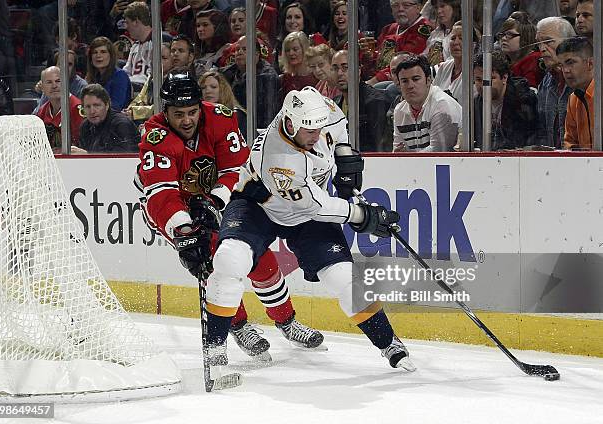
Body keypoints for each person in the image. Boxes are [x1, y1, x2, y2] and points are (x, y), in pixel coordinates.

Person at [201, 85, 415, 378]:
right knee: (229, 260)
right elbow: (316, 207)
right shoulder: (277, 157)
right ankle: (214, 346)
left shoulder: (323, 111)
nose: (315, 137)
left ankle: (388, 342)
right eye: (308, 132)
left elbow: (340, 129)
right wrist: (364, 216)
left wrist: (344, 156)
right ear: (289, 123)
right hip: (258, 205)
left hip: (306, 209)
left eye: (318, 130)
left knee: (343, 278)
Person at [135, 70, 323, 361]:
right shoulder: (156, 137)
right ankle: (239, 326)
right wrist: (184, 230)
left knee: (259, 257)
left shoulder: (221, 119)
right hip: (177, 211)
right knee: (212, 262)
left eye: (192, 112)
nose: (186, 120)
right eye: (178, 114)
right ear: (165, 111)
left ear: (201, 107)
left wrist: (214, 202)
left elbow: (238, 168)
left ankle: (286, 320)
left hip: (221, 199)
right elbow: (161, 195)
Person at [393, 54, 461, 152]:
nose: (410, 85)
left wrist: (408, 156)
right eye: (404, 81)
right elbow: (397, 152)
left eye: (415, 79)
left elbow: (438, 153)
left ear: (428, 80)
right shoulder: (399, 110)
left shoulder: (441, 106)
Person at [473, 50, 538, 150]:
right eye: (478, 80)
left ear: (504, 77)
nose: (483, 85)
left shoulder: (524, 101)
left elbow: (530, 140)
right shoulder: (476, 103)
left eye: (490, 79)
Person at [331, 50, 389, 152]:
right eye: (335, 68)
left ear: (358, 71)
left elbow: (379, 146)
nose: (339, 73)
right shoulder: (333, 105)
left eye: (345, 68)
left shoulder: (375, 101)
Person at [220, 36, 280, 131]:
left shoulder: (267, 77)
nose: (239, 52)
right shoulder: (226, 73)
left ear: (256, 54)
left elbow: (268, 116)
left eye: (244, 49)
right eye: (237, 49)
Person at [535, 17, 576, 148]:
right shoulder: (545, 83)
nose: (542, 48)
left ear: (569, 42)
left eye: (548, 41)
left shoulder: (584, 79)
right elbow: (542, 132)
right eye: (539, 43)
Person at [35, 66, 85, 152]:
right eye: (49, 82)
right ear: (42, 87)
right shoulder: (42, 111)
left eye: (58, 81)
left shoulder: (77, 108)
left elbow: (81, 145)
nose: (54, 86)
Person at [80, 84, 139, 153]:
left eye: (96, 105)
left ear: (107, 105)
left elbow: (125, 158)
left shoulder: (121, 124)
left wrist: (87, 155)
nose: (92, 111)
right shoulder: (85, 126)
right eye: (88, 107)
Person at [558, 36, 594, 150]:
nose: (565, 70)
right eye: (561, 65)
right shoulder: (573, 99)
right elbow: (569, 142)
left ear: (590, 63)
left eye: (570, 63)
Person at [498, 12, 544, 88]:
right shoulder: (504, 62)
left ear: (525, 37)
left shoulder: (533, 60)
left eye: (509, 34)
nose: (503, 38)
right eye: (502, 34)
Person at [86, 37, 132, 111]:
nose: (98, 56)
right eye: (95, 52)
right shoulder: (92, 77)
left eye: (103, 52)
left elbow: (116, 107)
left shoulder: (120, 75)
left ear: (111, 56)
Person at [199, 70, 246, 135]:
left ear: (223, 90)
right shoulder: (198, 116)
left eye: (213, 87)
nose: (207, 91)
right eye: (203, 88)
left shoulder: (236, 115)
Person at [279, 31, 318, 99]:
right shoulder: (284, 79)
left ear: (304, 49)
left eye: (295, 49)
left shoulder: (316, 75)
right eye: (288, 50)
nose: (291, 53)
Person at [123, 2, 154, 89]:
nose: (126, 27)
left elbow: (151, 75)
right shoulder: (135, 46)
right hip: (133, 88)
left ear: (136, 21)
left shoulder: (158, 41)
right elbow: (126, 71)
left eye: (127, 22)